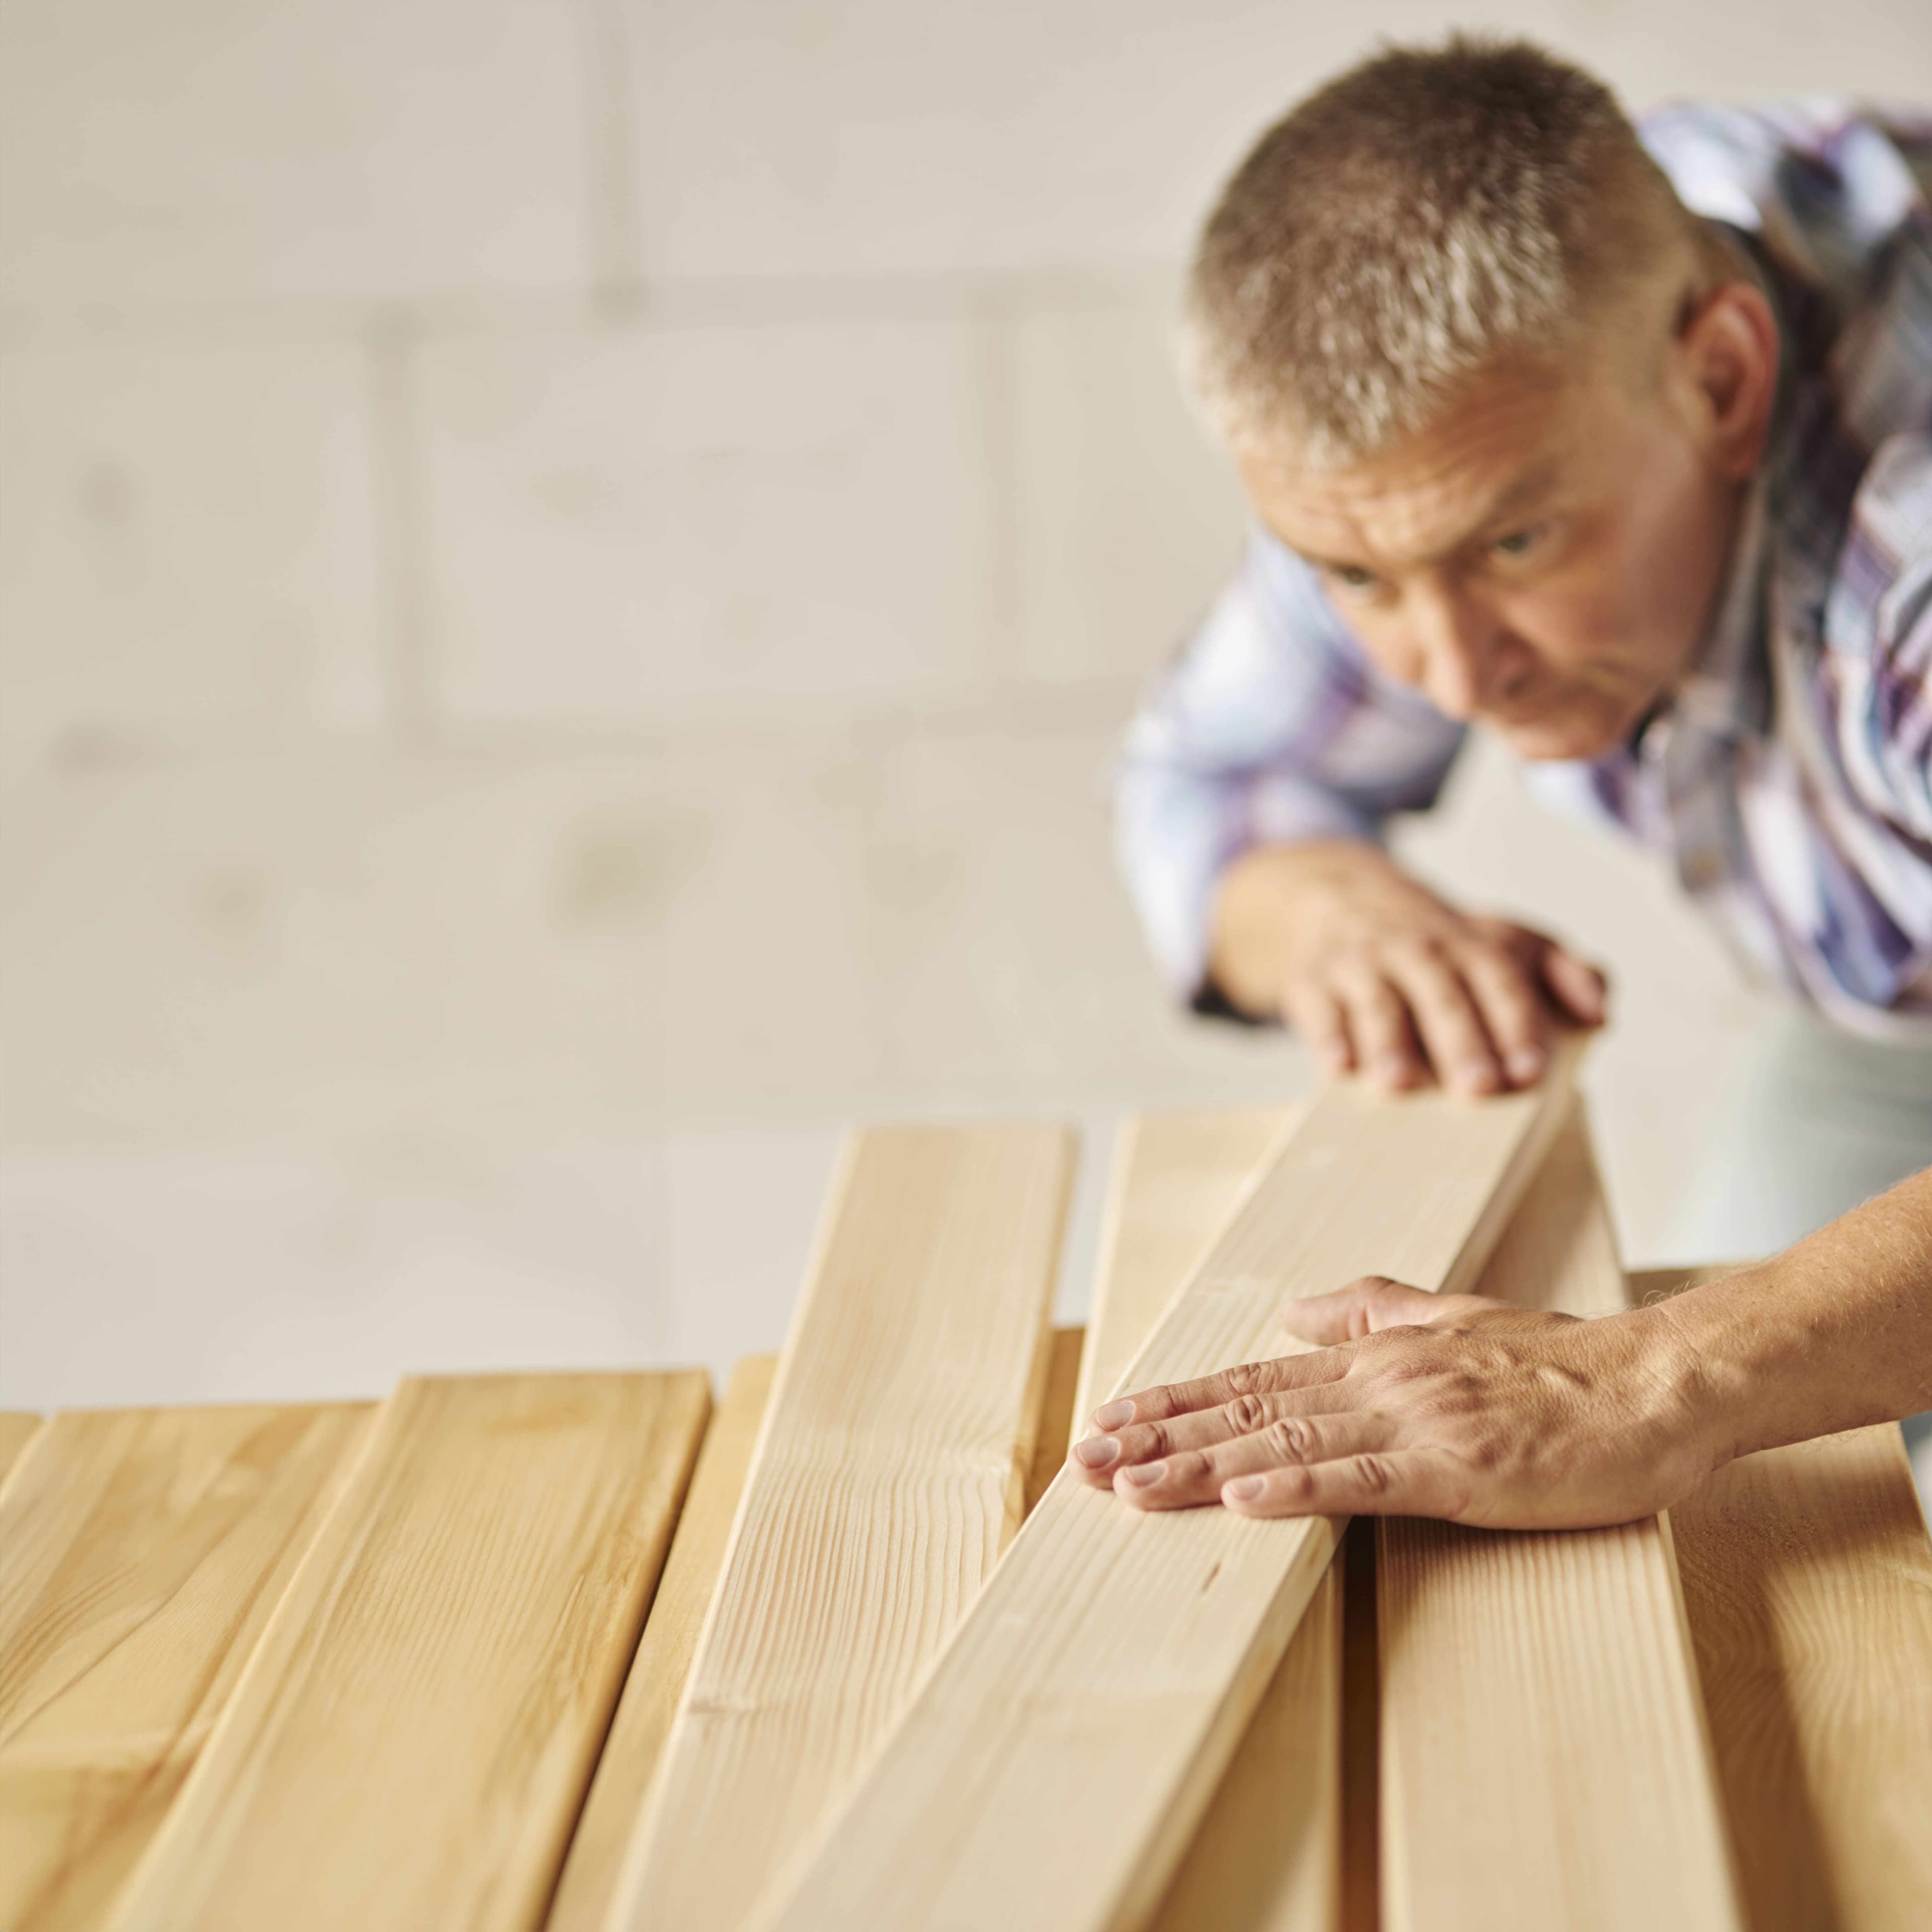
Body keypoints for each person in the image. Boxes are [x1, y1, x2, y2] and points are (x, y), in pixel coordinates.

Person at [1074, 38, 1932, 1527]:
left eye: (1515, 548)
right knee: (1750, 1502)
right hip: (1887, 1006)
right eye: (1359, 577)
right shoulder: (1478, 401)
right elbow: (1213, 783)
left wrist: (1653, 1380)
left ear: (1724, 380)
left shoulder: (1906, 563)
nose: (1452, 676)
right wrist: (1328, 913)